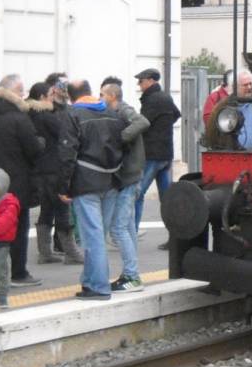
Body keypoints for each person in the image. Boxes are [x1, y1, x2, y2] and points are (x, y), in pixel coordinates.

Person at [58, 80, 129, 300]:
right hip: (111, 182)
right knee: (98, 235)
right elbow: (123, 146)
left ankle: (99, 287)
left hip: (85, 182)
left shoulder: (72, 115)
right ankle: (89, 282)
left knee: (93, 238)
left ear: (71, 97)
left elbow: (67, 153)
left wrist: (64, 187)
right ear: (90, 92)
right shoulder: (112, 113)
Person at [0, 76, 43, 288]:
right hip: (15, 183)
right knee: (17, 226)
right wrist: (41, 141)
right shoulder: (18, 118)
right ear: (15, 92)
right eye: (22, 92)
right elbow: (34, 150)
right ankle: (18, 273)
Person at [100, 79, 149, 291]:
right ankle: (131, 273)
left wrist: (121, 138)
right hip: (130, 177)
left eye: (102, 95)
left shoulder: (123, 109)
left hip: (129, 178)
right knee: (127, 227)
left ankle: (132, 276)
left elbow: (143, 122)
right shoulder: (116, 113)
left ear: (112, 96)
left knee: (118, 229)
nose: (99, 98)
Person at [27, 83, 84, 264]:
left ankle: (45, 253)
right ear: (43, 97)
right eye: (51, 93)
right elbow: (65, 133)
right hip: (53, 169)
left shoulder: (29, 114)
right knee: (62, 209)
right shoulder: (47, 117)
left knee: (46, 210)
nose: (53, 96)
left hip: (39, 170)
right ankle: (71, 253)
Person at [134, 68, 181, 233]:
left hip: (152, 154)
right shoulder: (166, 97)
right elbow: (176, 114)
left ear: (150, 81)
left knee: (137, 195)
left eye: (141, 81)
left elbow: (143, 123)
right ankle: (176, 237)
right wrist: (163, 127)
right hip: (166, 154)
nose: (139, 84)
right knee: (167, 199)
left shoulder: (152, 99)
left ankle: (131, 232)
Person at [202, 70, 252, 151]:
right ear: (234, 87)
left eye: (250, 84)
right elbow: (212, 132)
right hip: (233, 156)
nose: (249, 87)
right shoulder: (222, 107)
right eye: (245, 85)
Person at [0, 168, 19, 310]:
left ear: (2, 187)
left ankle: (2, 297)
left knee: (2, 271)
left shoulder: (10, 204)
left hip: (0, 244)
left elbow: (2, 224)